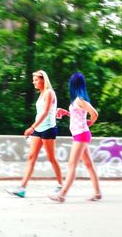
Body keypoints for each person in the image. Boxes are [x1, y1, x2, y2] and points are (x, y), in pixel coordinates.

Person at [6, 70, 63, 198]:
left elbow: (45, 113)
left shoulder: (49, 93)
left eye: (36, 79)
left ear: (43, 80)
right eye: (33, 80)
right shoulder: (42, 93)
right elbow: (44, 112)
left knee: (51, 158)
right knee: (31, 157)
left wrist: (32, 127)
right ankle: (22, 189)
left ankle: (60, 186)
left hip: (48, 129)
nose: (34, 82)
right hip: (38, 129)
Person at [48, 72, 101, 203]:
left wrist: (89, 123)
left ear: (73, 84)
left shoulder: (80, 100)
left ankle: (62, 195)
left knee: (72, 164)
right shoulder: (77, 99)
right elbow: (78, 117)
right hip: (80, 134)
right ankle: (98, 192)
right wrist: (66, 112)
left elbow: (94, 114)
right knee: (88, 164)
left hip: (81, 135)